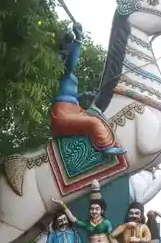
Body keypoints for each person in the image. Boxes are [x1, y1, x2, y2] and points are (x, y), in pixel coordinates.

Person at [50, 23, 126, 156]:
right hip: (63, 113)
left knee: (98, 115)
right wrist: (78, 39)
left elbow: (70, 96)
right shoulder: (62, 71)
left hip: (74, 109)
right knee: (94, 122)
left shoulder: (69, 74)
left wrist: (85, 95)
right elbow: (71, 64)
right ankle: (105, 147)